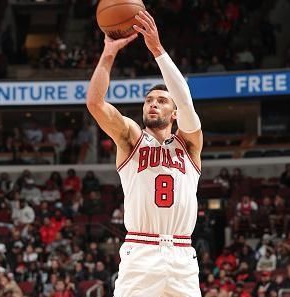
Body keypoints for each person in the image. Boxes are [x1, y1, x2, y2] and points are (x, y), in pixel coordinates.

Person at [86, 10, 202, 297]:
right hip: (141, 251)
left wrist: (158, 50)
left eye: (162, 101)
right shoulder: (131, 138)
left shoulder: (189, 144)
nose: (153, 104)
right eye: (149, 100)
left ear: (173, 113)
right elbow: (95, 103)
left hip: (182, 255)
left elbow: (186, 103)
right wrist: (109, 52)